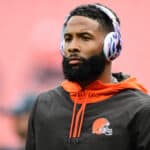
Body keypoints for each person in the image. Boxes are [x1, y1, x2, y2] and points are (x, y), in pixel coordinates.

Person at [26, 3, 150, 150]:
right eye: (68, 39)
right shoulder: (43, 104)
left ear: (111, 46)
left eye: (85, 38)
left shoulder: (141, 110)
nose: (72, 46)